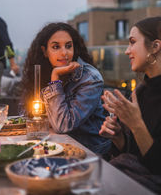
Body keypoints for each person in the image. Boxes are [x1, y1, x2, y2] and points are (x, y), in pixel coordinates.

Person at [21, 22, 111, 155]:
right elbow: (28, 114)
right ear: (45, 51)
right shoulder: (43, 71)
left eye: (68, 46)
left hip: (89, 151)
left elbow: (63, 125)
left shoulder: (90, 79)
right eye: (56, 47)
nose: (64, 53)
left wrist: (55, 77)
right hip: (58, 144)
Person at [99, 16, 161, 193]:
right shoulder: (141, 92)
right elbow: (135, 154)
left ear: (155, 47)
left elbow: (156, 166)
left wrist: (136, 124)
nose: (127, 51)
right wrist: (118, 136)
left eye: (133, 42)